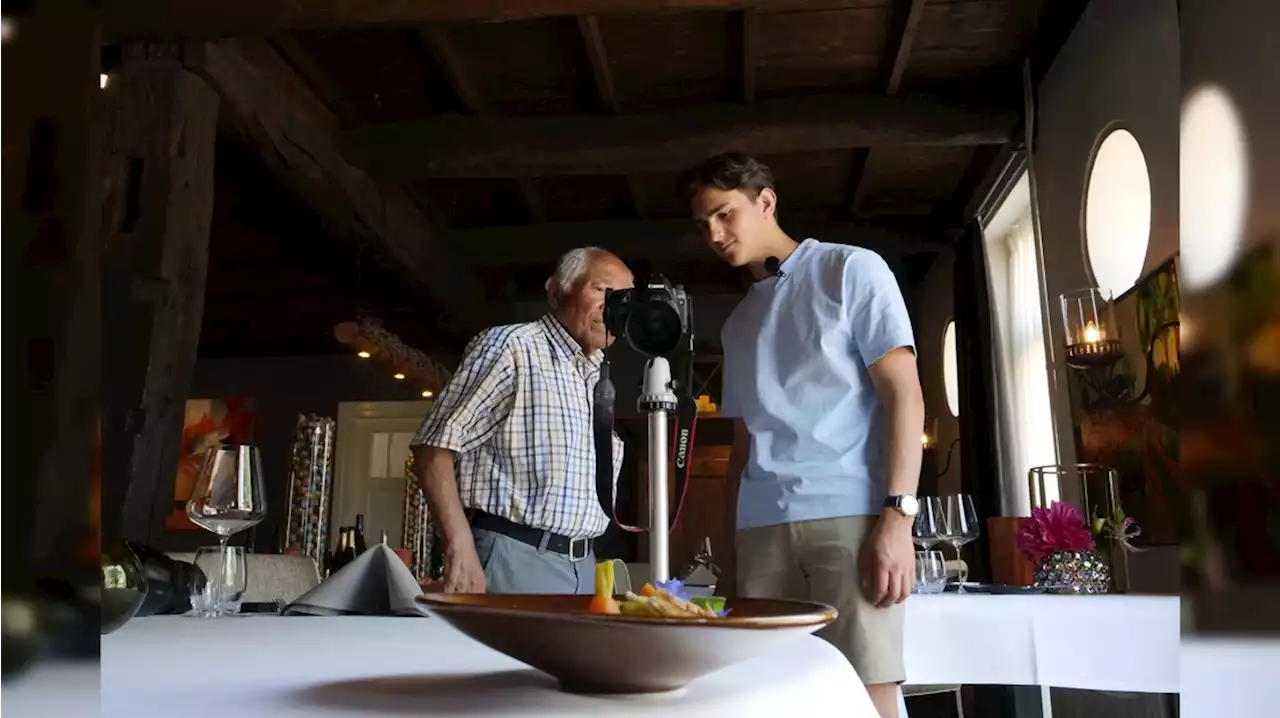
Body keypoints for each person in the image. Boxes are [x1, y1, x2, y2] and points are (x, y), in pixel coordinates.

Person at [679, 152, 924, 718]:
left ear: (765, 202)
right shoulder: (737, 323)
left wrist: (898, 518)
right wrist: (725, 551)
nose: (714, 235)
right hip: (760, 529)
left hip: (851, 518)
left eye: (724, 215)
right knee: (771, 697)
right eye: (702, 225)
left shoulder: (850, 269)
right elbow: (742, 445)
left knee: (868, 689)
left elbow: (904, 395)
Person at [410, 247, 633, 595]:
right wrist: (460, 547)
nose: (614, 306)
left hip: (584, 566)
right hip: (515, 557)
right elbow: (433, 448)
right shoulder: (511, 347)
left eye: (623, 298)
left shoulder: (595, 373)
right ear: (557, 291)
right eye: (602, 291)